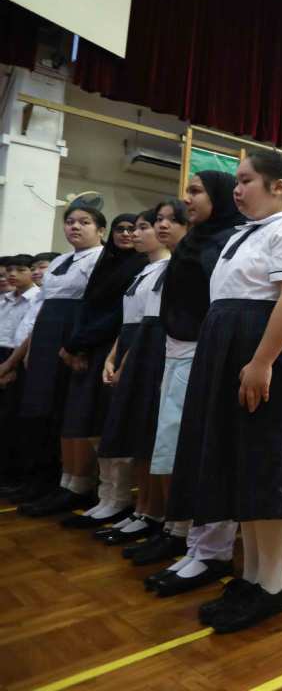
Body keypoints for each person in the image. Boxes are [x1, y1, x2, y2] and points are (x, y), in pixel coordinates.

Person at [168, 153, 282, 634]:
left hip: (267, 350)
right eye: (236, 182)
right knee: (245, 465)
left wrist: (261, 362)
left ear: (278, 185)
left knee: (268, 464)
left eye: (246, 181)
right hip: (235, 346)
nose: (237, 191)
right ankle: (254, 576)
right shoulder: (247, 231)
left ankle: (273, 585)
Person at [126, 176, 243, 585]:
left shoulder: (228, 241)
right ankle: (180, 531)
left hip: (206, 355)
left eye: (196, 192)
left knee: (202, 450)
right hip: (176, 351)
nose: (187, 199)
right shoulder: (197, 240)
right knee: (172, 444)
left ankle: (211, 549)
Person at [62, 210, 167, 530]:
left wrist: (124, 360)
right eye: (132, 229)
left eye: (141, 228)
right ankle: (114, 498)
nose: (134, 234)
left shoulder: (166, 269)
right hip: (126, 346)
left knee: (141, 433)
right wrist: (112, 357)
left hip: (145, 350)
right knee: (120, 428)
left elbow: (151, 323)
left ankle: (147, 508)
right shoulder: (143, 271)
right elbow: (127, 322)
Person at [12, 204, 108, 512]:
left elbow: (95, 306)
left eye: (84, 222)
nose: (75, 227)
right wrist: (32, 349)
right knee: (40, 409)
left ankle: (72, 482)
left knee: (66, 411)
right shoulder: (60, 261)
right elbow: (42, 306)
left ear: (100, 230)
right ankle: (41, 480)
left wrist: (79, 347)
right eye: (70, 222)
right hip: (46, 335)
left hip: (72, 335)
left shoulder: (101, 259)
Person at [0, 255, 41, 494]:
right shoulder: (6, 299)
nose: (12, 274)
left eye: (20, 269)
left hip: (16, 357)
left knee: (12, 420)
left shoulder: (36, 298)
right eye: (10, 270)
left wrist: (10, 366)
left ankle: (13, 474)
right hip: (2, 352)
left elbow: (26, 335)